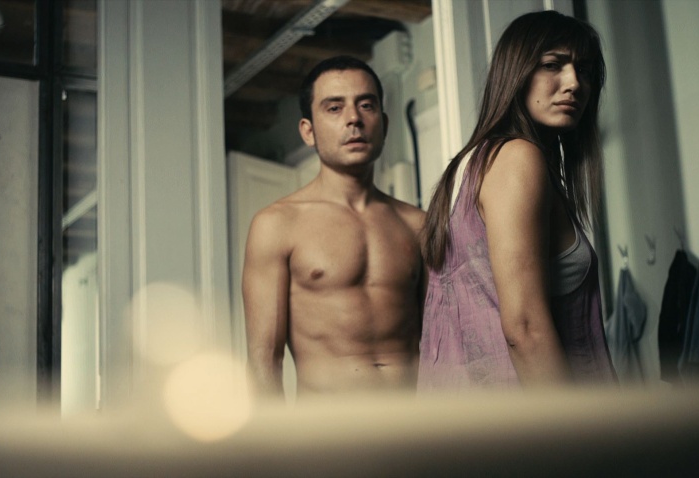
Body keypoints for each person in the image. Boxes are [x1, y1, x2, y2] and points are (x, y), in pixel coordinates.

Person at [419, 10, 617, 391]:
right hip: (546, 416)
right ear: (516, 73)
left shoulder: (472, 165)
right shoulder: (517, 158)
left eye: (585, 70)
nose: (574, 83)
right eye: (552, 65)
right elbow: (524, 329)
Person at [243, 56, 425, 401]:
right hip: (326, 426)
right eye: (334, 108)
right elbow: (264, 360)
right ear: (308, 131)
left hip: (414, 423)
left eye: (366, 105)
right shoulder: (278, 225)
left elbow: (443, 344)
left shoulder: (418, 225)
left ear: (384, 123)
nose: (354, 119)